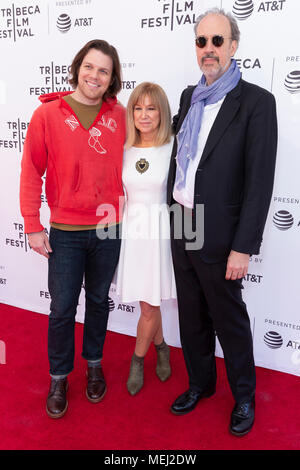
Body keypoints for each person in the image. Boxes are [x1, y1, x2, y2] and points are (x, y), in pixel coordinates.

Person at [167, 8, 277, 436]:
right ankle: (200, 385)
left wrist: (243, 246)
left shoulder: (256, 103)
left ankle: (244, 396)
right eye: (201, 41)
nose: (208, 50)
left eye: (217, 41)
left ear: (233, 46)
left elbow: (259, 181)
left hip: (222, 234)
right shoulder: (187, 97)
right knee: (191, 315)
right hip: (181, 223)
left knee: (229, 320)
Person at [20, 40, 126, 418]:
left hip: (108, 230)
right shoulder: (47, 115)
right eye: (90, 67)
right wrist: (32, 224)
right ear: (77, 67)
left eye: (104, 70)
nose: (94, 75)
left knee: (99, 301)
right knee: (63, 307)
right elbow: (32, 170)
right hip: (64, 231)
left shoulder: (121, 116)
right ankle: (59, 376)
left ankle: (94, 363)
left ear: (112, 78)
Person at [116, 82, 176, 395]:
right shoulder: (123, 148)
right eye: (138, 108)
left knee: (150, 306)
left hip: (160, 236)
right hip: (132, 235)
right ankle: (162, 346)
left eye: (151, 108)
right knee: (147, 302)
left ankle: (137, 360)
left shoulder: (174, 147)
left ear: (162, 112)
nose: (144, 114)